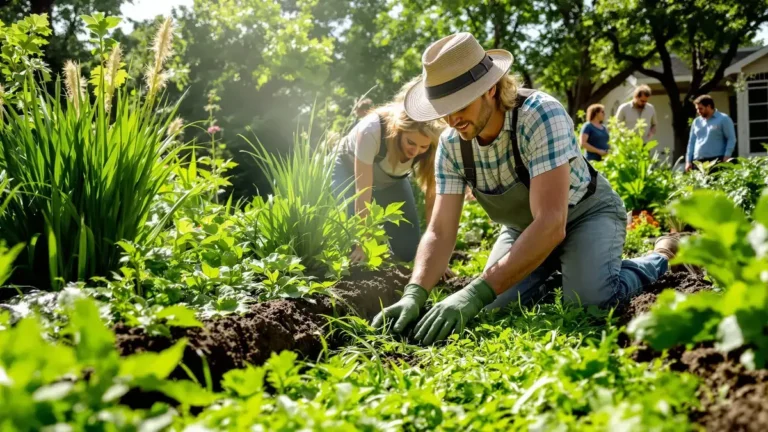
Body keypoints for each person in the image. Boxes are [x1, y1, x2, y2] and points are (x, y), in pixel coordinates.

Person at [371, 32, 679, 344]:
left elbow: (550, 221)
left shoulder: (539, 114)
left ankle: (661, 255)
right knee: (492, 307)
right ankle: (566, 271)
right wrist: (414, 293)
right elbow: (440, 231)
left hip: (585, 214)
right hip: (522, 229)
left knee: (590, 303)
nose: (452, 119)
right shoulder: (452, 145)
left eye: (459, 105)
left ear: (490, 88)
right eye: (444, 108)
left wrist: (474, 292)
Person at [332, 85, 453, 279]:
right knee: (348, 239)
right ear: (399, 131)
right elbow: (362, 192)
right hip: (349, 173)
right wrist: (362, 243)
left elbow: (433, 202)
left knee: (408, 250)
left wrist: (436, 256)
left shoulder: (432, 148)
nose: (415, 151)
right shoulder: (372, 129)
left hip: (391, 180)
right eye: (410, 143)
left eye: (423, 146)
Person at [685, 94, 736, 172]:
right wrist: (688, 161)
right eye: (697, 109)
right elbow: (691, 142)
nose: (698, 111)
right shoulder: (696, 122)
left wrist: (727, 155)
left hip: (716, 160)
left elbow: (731, 138)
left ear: (708, 106)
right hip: (698, 162)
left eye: (700, 109)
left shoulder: (723, 119)